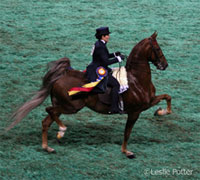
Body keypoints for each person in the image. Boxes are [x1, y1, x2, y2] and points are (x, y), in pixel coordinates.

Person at [86, 27, 125, 114]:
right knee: (116, 85)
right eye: (107, 35)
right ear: (102, 36)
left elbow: (104, 56)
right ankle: (114, 107)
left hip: (97, 66)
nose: (108, 37)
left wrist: (115, 54)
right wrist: (118, 59)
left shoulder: (99, 44)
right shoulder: (101, 46)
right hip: (98, 69)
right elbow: (105, 62)